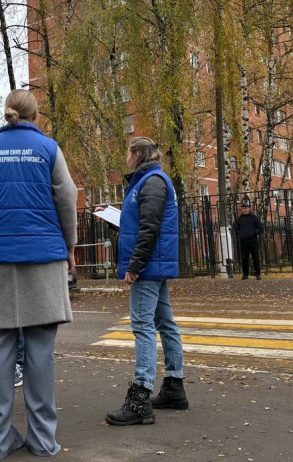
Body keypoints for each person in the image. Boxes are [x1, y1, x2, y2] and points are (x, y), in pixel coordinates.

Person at [0, 89, 77, 460]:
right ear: (36, 115)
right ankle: (43, 441)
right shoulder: (48, 149)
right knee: (40, 352)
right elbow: (66, 196)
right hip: (43, 259)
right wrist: (70, 246)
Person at [106, 137, 187, 427]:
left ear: (138, 153)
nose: (126, 157)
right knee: (165, 323)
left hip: (148, 265)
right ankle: (174, 387)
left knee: (142, 326)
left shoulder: (151, 181)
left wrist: (134, 265)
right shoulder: (151, 180)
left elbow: (150, 226)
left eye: (128, 152)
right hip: (156, 263)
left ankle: (140, 397)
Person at [236, 202, 263, 280]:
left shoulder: (254, 218)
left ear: (249, 209)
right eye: (243, 208)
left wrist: (254, 233)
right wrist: (240, 234)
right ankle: (245, 274)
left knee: (255, 257)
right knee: (244, 258)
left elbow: (260, 228)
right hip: (243, 241)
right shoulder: (240, 218)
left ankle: (258, 274)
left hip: (253, 240)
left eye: (245, 208)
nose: (244, 210)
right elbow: (236, 228)